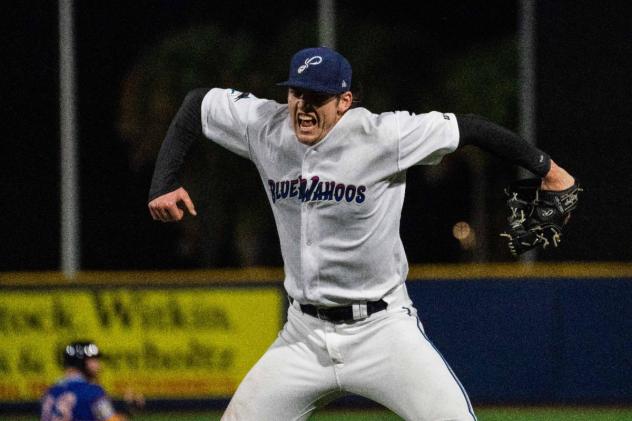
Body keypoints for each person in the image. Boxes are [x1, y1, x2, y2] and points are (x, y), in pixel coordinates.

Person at [148, 46, 575, 420]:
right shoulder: (265, 125)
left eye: (318, 97)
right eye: (297, 93)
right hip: (303, 335)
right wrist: (163, 182)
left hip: (383, 329)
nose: (303, 106)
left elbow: (473, 128)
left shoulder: (383, 135)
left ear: (345, 101)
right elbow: (198, 103)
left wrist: (550, 171)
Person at [40, 341, 128, 421]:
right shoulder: (92, 392)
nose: (99, 366)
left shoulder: (50, 392)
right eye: (93, 360)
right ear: (81, 362)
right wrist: (128, 410)